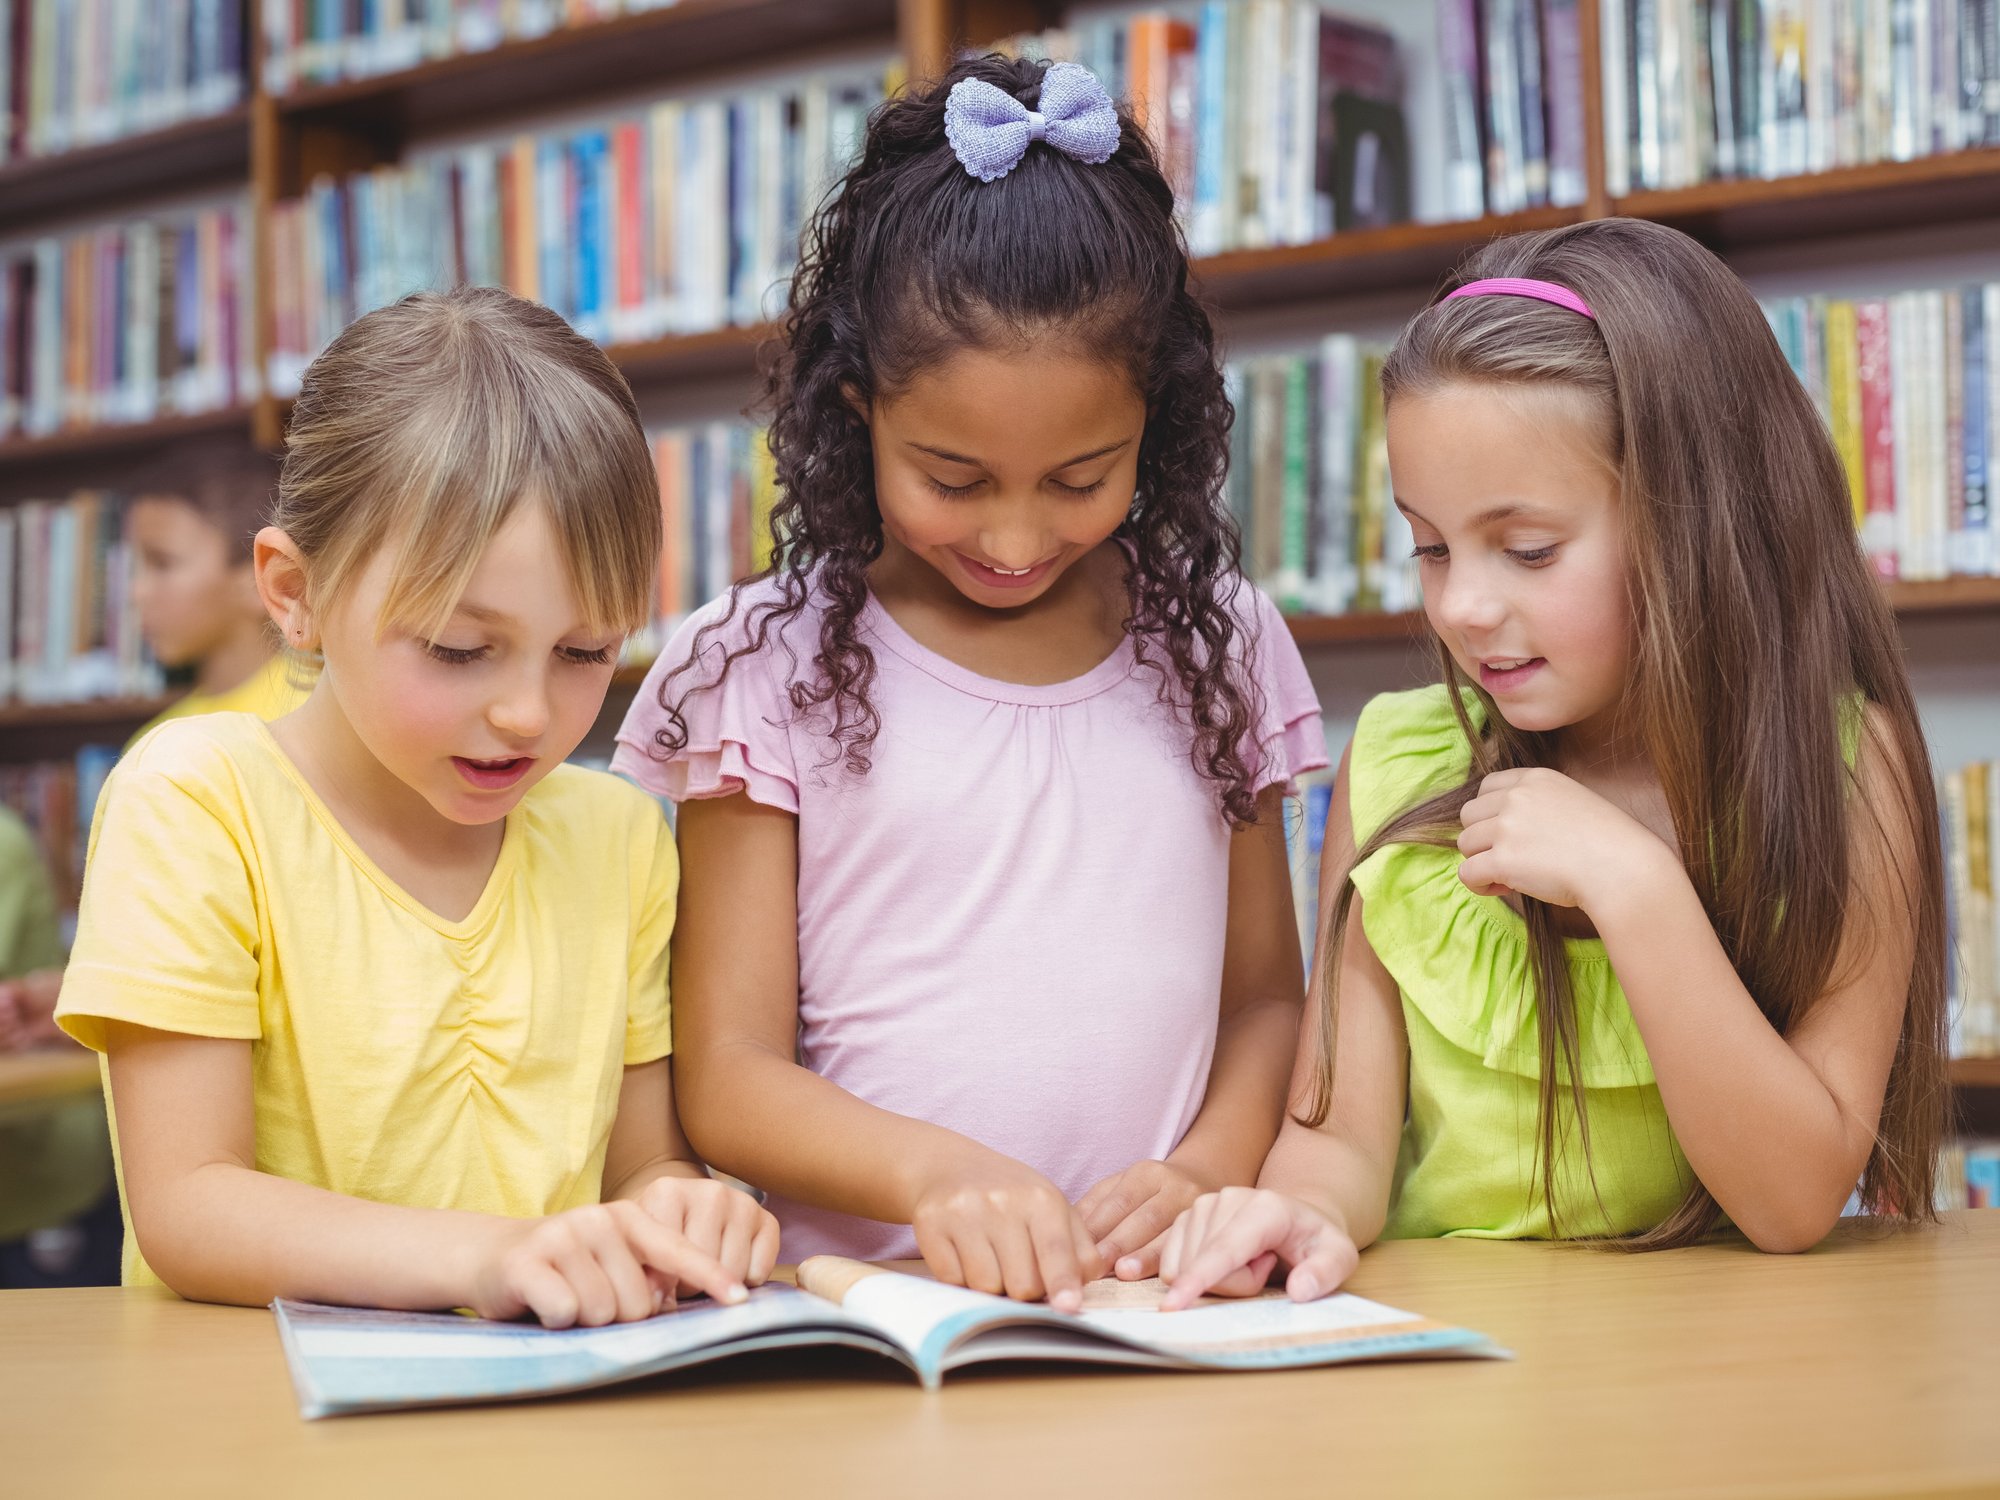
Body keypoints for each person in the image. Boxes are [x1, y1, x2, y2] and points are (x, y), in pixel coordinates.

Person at [616, 57, 1324, 1311]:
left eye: (1076, 478)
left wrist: (1206, 1168)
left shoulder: (1220, 642)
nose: (1010, 539)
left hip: (1158, 1308)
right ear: (856, 408)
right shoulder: (759, 663)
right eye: (951, 479)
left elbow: (1265, 993)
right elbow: (724, 1072)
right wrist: (940, 1177)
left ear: (1154, 428)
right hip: (866, 1309)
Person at [1157, 219, 1948, 1309]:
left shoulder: (1847, 771)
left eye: (1526, 550)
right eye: (1429, 547)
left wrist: (1632, 887)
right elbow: (1335, 1140)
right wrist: (1301, 1210)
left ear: (1694, 523)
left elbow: (1793, 1200)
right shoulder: (1395, 762)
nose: (1462, 607)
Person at [55, 287, 777, 1327]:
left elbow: (641, 1161)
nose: (528, 713)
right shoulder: (196, 801)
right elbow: (186, 1205)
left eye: (584, 652)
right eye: (456, 648)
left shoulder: (615, 836)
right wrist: (491, 1259)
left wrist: (681, 1209)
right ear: (293, 591)